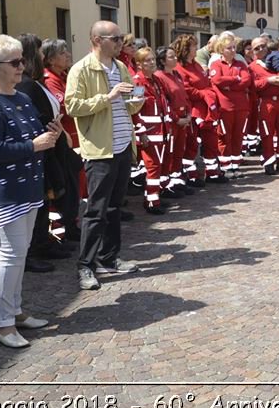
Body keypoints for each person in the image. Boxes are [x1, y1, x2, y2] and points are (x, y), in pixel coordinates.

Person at [0, 34, 61, 348]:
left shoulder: (20, 96)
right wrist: (33, 145)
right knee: (10, 255)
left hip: (28, 185)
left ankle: (15, 311)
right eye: (16, 62)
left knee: (19, 254)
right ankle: (2, 324)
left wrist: (51, 133)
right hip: (3, 190)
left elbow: (33, 132)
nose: (23, 66)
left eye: (23, 59)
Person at [65, 21, 145, 291]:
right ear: (98, 40)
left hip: (122, 145)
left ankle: (109, 258)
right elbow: (73, 106)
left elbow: (129, 103)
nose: (121, 42)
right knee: (95, 211)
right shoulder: (81, 69)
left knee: (114, 207)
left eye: (121, 37)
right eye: (116, 38)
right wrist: (108, 97)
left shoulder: (120, 67)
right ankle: (85, 266)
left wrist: (136, 100)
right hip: (100, 150)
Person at [15, 33, 74, 273]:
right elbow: (32, 118)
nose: (42, 57)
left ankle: (45, 241)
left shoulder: (34, 82)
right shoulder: (27, 84)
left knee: (48, 199)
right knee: (39, 202)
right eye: (39, 53)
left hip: (51, 145)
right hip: (41, 149)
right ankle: (32, 250)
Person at [41, 38, 83, 242]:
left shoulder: (64, 76)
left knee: (75, 188)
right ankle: (58, 234)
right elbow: (66, 106)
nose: (68, 56)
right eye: (62, 53)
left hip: (73, 138)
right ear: (50, 59)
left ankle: (72, 225)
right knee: (63, 189)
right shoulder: (50, 80)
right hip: (63, 140)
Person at [174, 34, 224, 184]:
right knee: (192, 143)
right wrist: (204, 94)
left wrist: (209, 93)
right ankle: (191, 175)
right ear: (186, 49)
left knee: (210, 141)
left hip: (205, 108)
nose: (197, 48)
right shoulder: (180, 68)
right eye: (194, 46)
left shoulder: (195, 65)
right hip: (193, 109)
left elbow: (204, 81)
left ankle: (212, 172)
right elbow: (187, 89)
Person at [131, 47, 170, 214]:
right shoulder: (138, 82)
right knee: (152, 166)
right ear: (139, 64)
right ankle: (152, 202)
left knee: (158, 166)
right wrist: (141, 133)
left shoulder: (156, 80)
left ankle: (153, 197)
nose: (152, 62)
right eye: (147, 60)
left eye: (153, 59)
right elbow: (135, 108)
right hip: (148, 132)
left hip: (160, 130)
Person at [249, 36, 279, 175]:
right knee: (267, 133)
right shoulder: (252, 67)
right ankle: (269, 162)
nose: (261, 49)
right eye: (257, 48)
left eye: (263, 46)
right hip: (266, 102)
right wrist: (269, 80)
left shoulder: (277, 59)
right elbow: (252, 85)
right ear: (253, 52)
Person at [209, 35, 252, 179]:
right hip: (224, 106)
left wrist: (229, 85)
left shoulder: (241, 64)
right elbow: (217, 80)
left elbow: (246, 81)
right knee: (224, 136)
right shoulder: (216, 64)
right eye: (229, 48)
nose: (233, 50)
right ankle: (226, 166)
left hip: (241, 106)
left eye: (234, 47)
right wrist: (235, 79)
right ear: (222, 49)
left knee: (238, 136)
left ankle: (235, 165)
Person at [155, 45, 195, 198]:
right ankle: (166, 184)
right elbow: (164, 102)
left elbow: (184, 96)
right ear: (163, 61)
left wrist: (188, 114)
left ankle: (176, 181)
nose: (175, 59)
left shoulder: (177, 75)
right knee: (169, 154)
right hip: (172, 121)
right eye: (171, 57)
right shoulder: (159, 77)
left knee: (179, 152)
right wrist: (177, 119)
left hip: (183, 118)